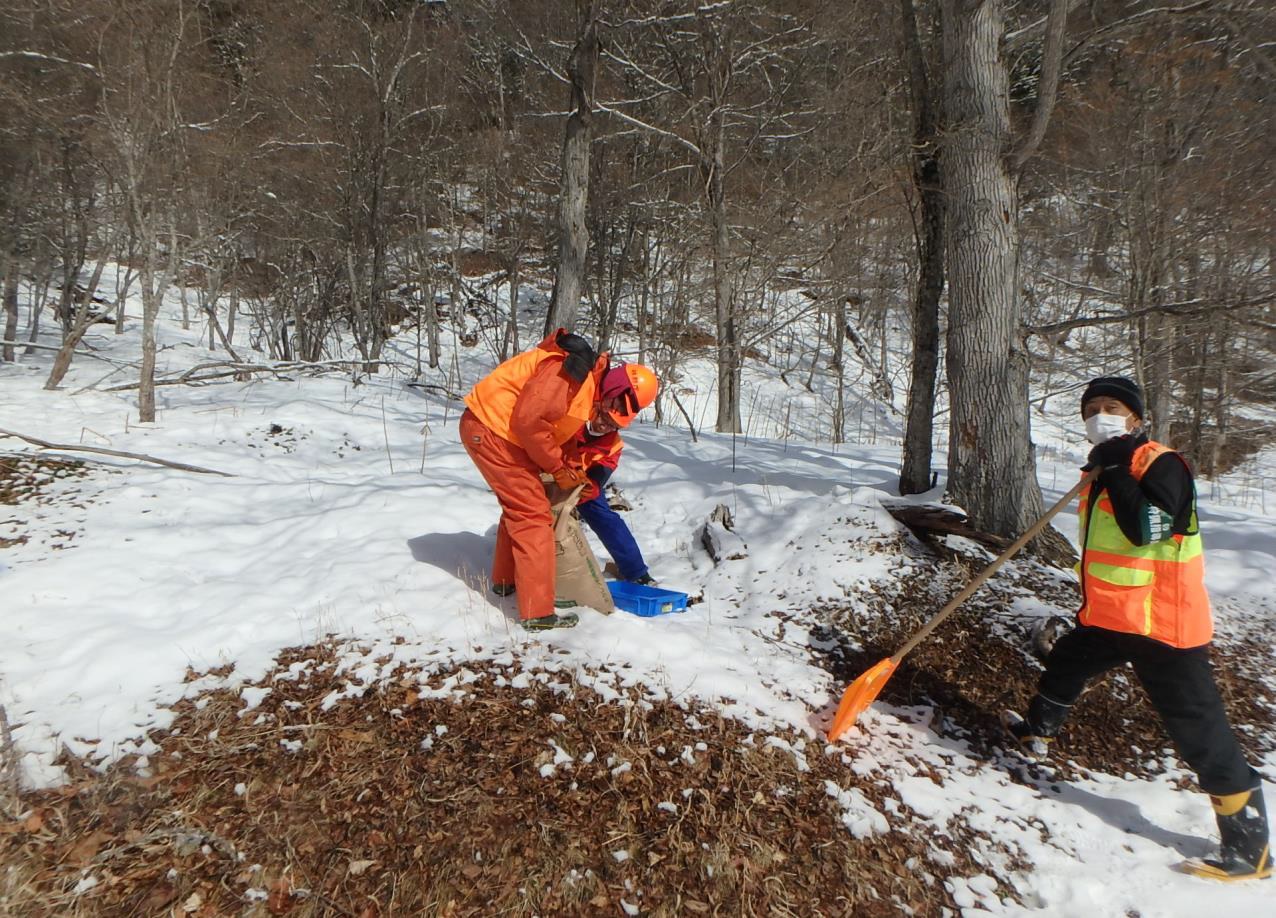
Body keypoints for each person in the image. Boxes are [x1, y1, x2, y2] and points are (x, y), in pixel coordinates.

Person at [1003, 376, 1270, 881]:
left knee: (1199, 730)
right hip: (1113, 616)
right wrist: (1107, 469)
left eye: (1112, 407)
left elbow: (1146, 528)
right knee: (1065, 661)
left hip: (1163, 626)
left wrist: (1119, 470)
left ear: (1136, 419)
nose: (1100, 415)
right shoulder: (1101, 467)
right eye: (1092, 408)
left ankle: (1249, 850)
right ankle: (1037, 732)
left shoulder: (1161, 464)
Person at [460, 329, 657, 631]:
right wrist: (558, 467)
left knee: (523, 507)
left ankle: (508, 582)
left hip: (502, 434)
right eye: (614, 409)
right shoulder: (572, 373)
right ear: (615, 389)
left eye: (618, 417)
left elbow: (555, 430)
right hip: (493, 430)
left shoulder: (588, 390)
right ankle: (537, 611)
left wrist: (568, 470)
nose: (610, 419)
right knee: (533, 515)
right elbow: (530, 421)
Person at [569, 393, 656, 586]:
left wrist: (589, 488)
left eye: (613, 425)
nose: (605, 426)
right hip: (553, 474)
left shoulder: (614, 444)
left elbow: (603, 470)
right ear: (600, 408)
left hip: (582, 482)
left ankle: (637, 572)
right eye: (605, 418)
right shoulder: (574, 419)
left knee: (605, 518)